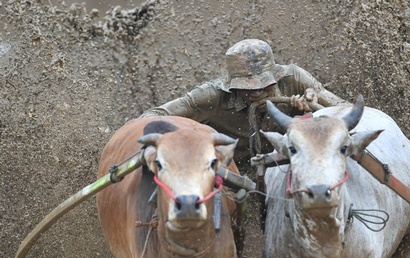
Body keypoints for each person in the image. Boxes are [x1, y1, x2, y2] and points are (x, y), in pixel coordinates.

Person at [142, 38, 348, 168]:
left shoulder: (294, 78)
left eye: (264, 85)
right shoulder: (211, 95)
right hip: (238, 172)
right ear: (233, 84)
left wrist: (316, 110)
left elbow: (345, 109)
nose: (256, 92)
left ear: (275, 75)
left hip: (293, 164)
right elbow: (154, 114)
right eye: (248, 88)